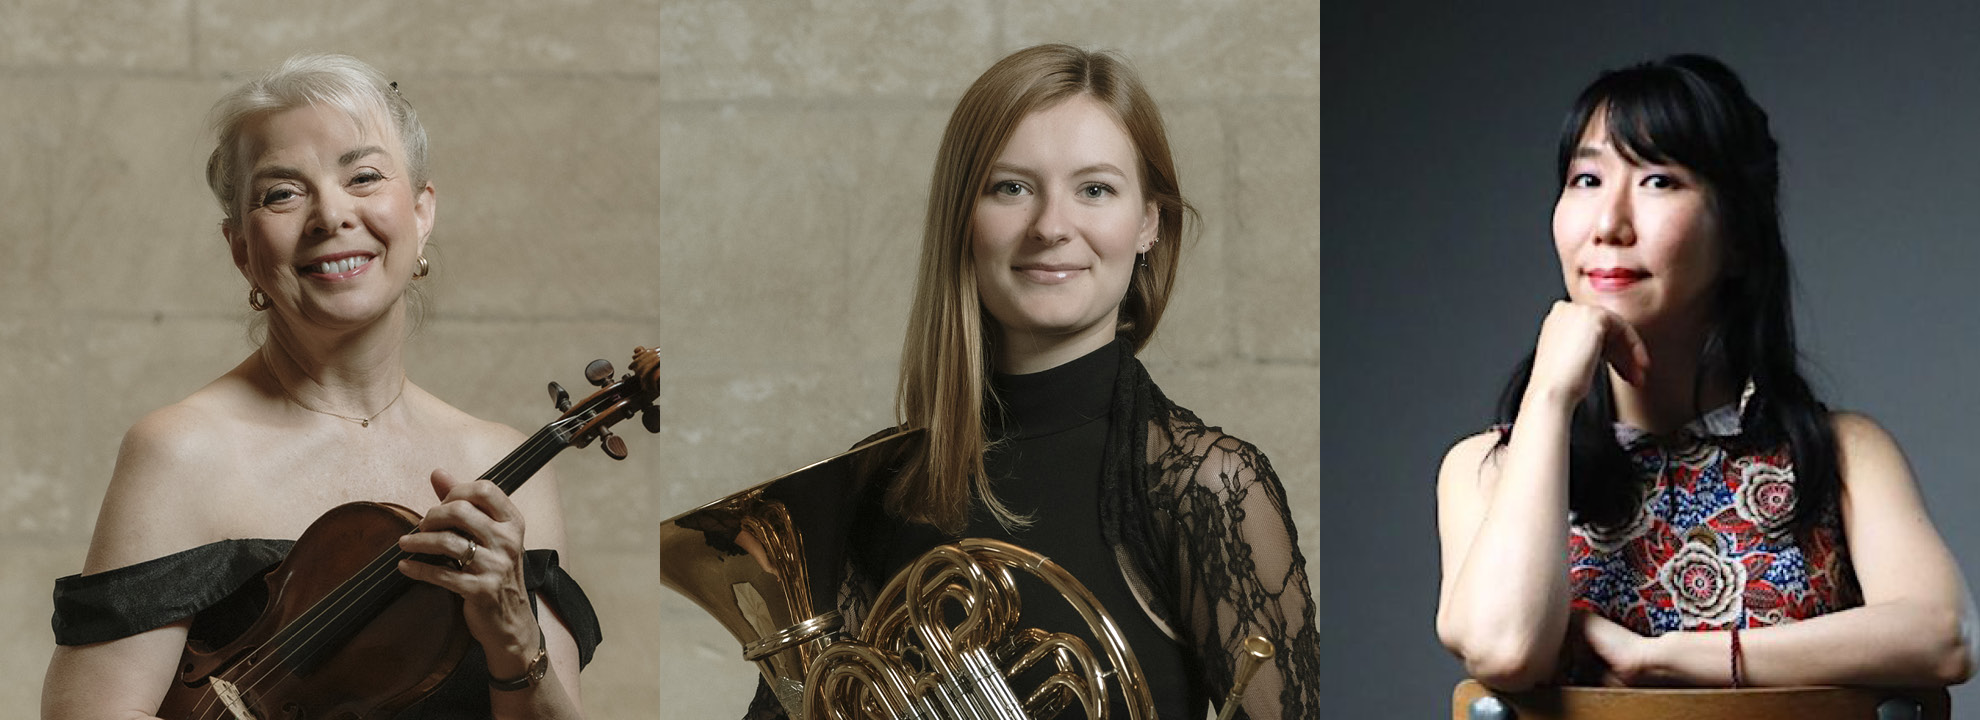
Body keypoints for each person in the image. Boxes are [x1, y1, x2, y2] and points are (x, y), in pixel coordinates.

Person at [741, 44, 1318, 719]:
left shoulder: (1204, 487)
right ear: (964, 220)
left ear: (1148, 224)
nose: (1051, 227)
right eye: (1011, 187)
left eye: (1094, 189)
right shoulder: (872, 486)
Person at [40, 54, 597, 719]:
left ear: (422, 213)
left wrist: (515, 645)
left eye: (364, 176)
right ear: (241, 248)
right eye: (282, 192)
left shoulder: (505, 467)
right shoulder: (181, 452)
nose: (331, 214)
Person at [1435, 54, 1976, 691]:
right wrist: (1551, 395)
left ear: (1740, 236)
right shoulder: (1489, 467)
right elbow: (1505, 650)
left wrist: (1661, 657)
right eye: (1586, 179)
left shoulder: (1840, 453)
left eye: (1659, 181)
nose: (1609, 224)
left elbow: (1944, 636)